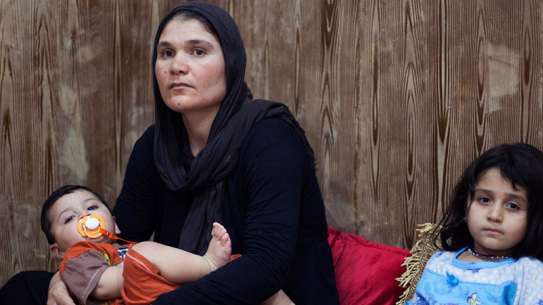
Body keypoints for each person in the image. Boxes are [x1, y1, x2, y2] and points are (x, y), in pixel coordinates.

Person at [42, 2, 339, 305]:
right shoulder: (155, 145)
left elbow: (265, 268)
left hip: (267, 296)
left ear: (232, 63)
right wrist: (65, 277)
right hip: (175, 288)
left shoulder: (271, 137)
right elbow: (119, 239)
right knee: (25, 287)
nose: (177, 66)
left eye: (198, 51)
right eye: (166, 53)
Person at [40, 184, 292, 305]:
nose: (86, 217)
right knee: (144, 252)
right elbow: (106, 286)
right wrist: (147, 260)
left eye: (92, 207)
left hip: (174, 293)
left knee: (248, 275)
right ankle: (209, 264)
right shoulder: (76, 259)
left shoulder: (127, 245)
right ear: (57, 251)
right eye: (70, 218)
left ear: (115, 225)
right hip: (137, 299)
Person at [406, 143, 543, 304]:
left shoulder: (529, 273)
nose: (494, 215)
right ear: (465, 205)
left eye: (513, 206)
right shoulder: (439, 264)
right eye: (484, 200)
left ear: (536, 217)